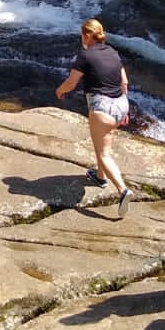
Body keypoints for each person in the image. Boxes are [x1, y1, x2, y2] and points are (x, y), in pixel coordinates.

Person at [55, 18, 132, 218]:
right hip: (121, 104)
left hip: (102, 108)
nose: (82, 38)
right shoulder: (112, 52)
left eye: (82, 35)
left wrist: (60, 91)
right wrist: (125, 111)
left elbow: (71, 83)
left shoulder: (85, 55)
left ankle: (123, 190)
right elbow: (124, 82)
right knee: (101, 143)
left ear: (88, 36)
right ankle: (100, 176)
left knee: (104, 152)